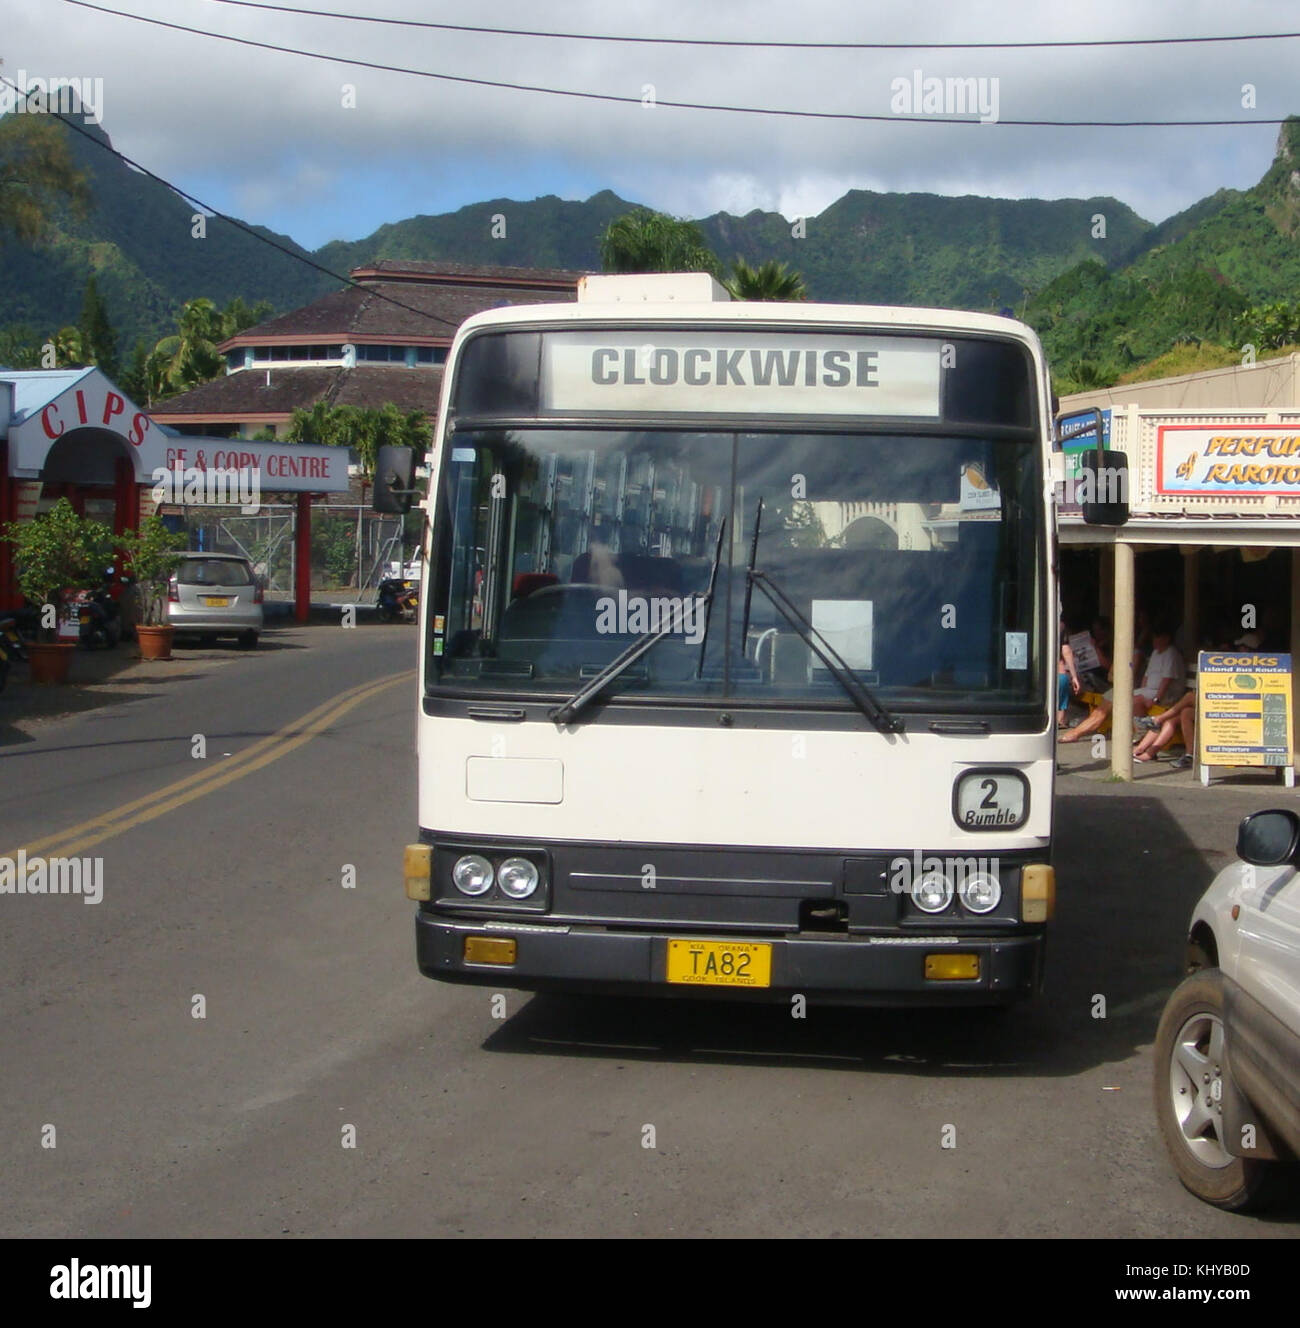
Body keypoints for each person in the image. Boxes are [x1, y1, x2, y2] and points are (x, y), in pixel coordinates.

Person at [1133, 621, 1184, 718]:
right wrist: (1143, 690)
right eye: (1153, 637)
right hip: (1151, 690)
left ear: (1167, 639)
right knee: (1125, 697)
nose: (1154, 640)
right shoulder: (1155, 653)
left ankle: (1141, 727)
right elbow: (1146, 676)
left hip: (1167, 694)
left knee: (1136, 700)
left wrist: (1156, 699)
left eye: (1157, 637)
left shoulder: (1171, 653)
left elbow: (1167, 680)